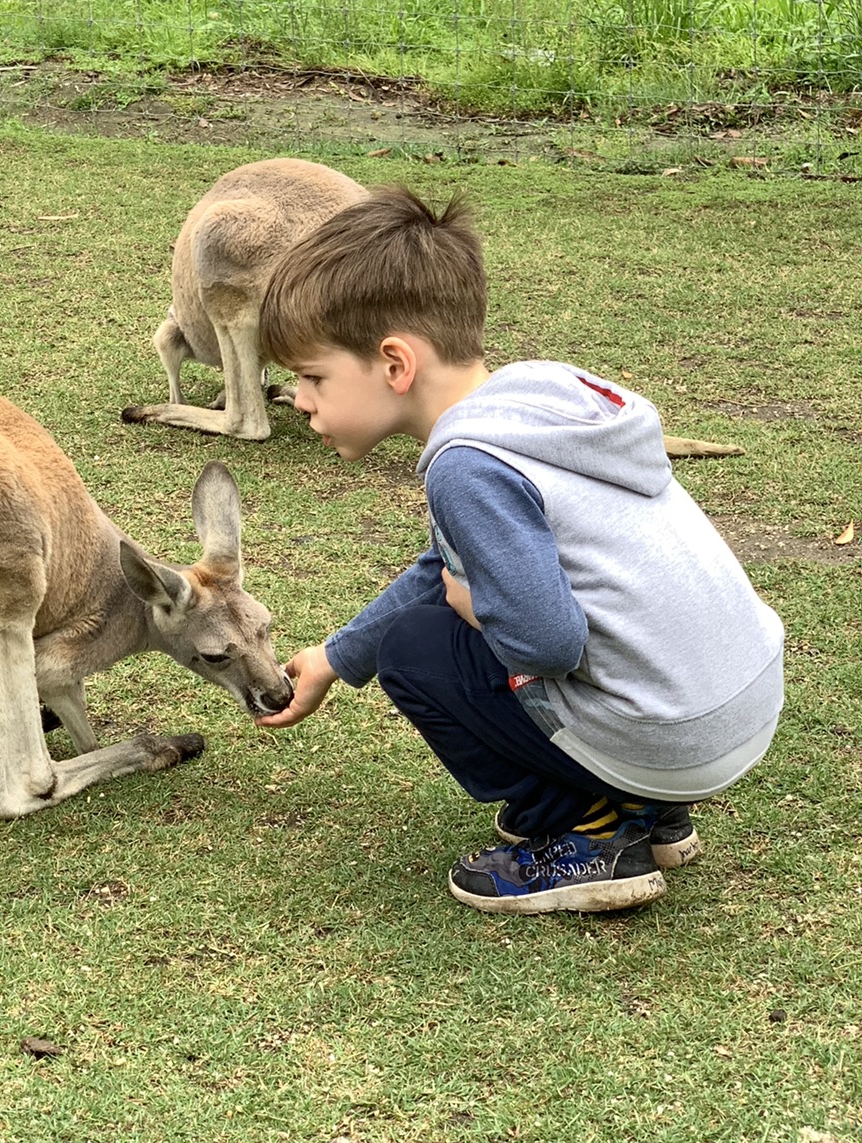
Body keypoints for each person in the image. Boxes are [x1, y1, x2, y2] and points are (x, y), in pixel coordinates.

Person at [255, 185, 784, 915]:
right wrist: (335, 658)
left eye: (312, 377)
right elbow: (446, 564)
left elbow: (545, 641)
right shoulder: (535, 403)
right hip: (730, 707)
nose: (301, 400)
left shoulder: (465, 464)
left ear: (394, 364)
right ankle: (645, 806)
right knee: (441, 612)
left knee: (418, 649)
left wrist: (476, 609)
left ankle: (588, 830)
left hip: (669, 737)